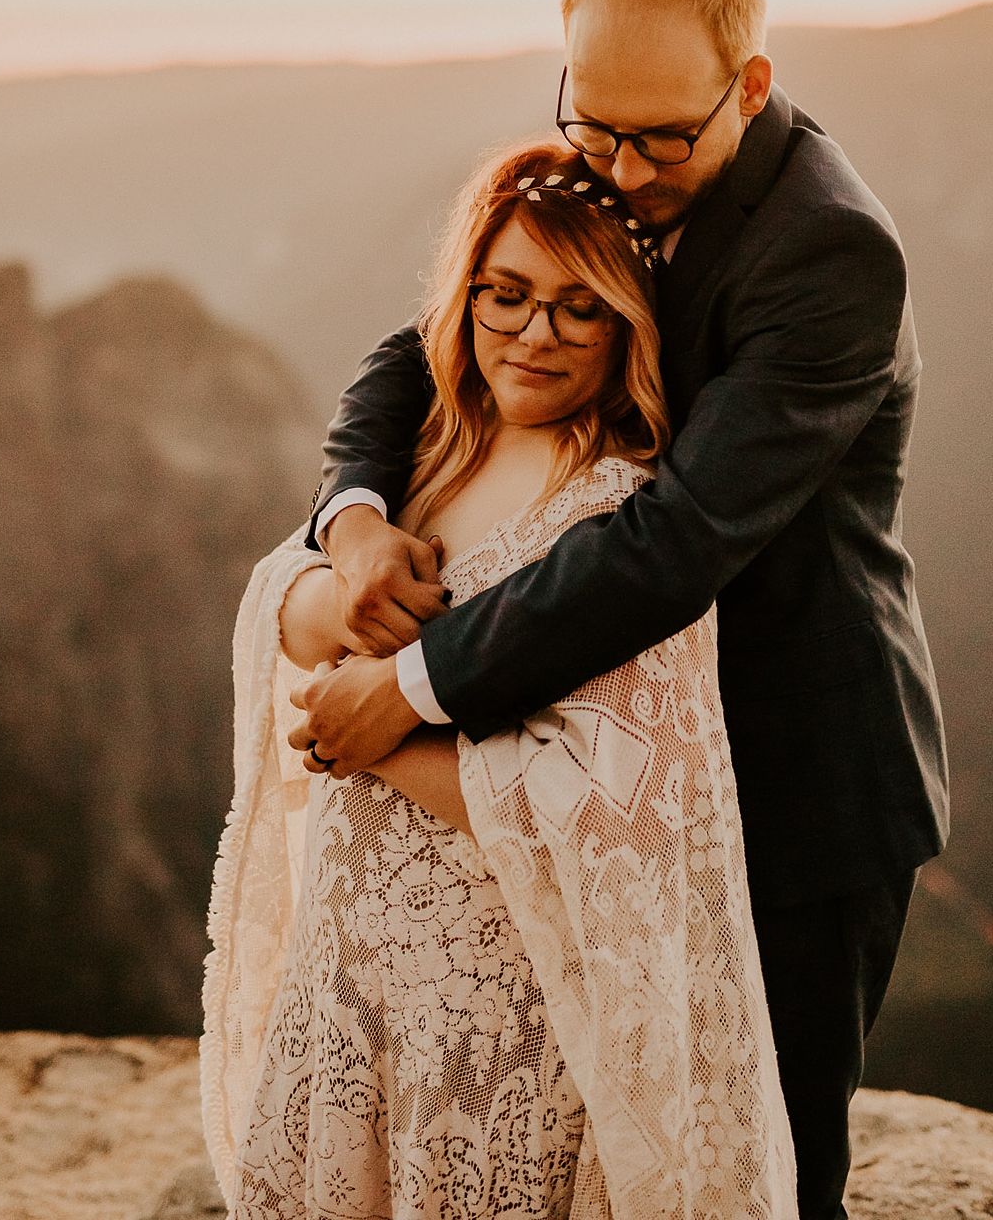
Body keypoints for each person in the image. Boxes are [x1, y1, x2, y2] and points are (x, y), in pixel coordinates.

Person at [291, 0, 948, 1220]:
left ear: (749, 85)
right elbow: (420, 349)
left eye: (663, 139)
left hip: (791, 777)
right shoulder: (606, 160)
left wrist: (413, 688)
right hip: (616, 766)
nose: (625, 170)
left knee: (753, 1163)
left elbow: (677, 543)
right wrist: (356, 520)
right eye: (593, 126)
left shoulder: (828, 252)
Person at [201, 139, 798, 1219]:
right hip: (355, 990)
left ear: (628, 326)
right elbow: (272, 604)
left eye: (580, 309)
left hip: (501, 1019)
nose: (533, 332)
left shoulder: (615, 510)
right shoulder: (425, 453)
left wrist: (388, 728)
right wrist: (348, 581)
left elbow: (619, 800)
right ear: (465, 293)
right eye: (507, 295)